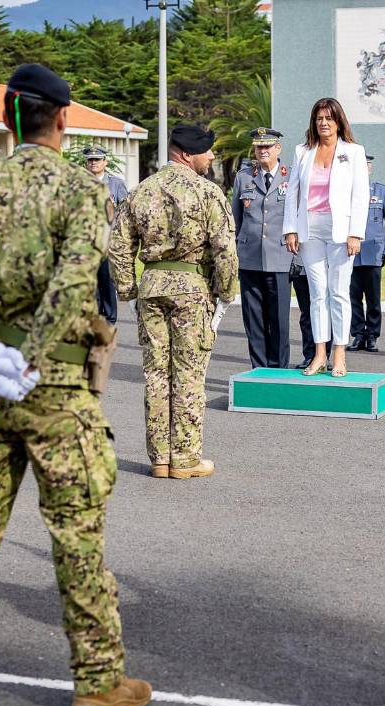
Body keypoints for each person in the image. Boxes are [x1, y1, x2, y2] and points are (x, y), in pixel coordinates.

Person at [0, 64, 151, 706]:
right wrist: (31, 355)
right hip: (55, 386)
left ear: (6, 119)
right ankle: (96, 681)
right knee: (76, 532)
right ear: (64, 120)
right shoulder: (82, 191)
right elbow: (74, 283)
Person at [109, 124, 238, 479]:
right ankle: (185, 458)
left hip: (151, 288)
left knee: (156, 375)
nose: (211, 156)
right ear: (186, 154)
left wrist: (128, 291)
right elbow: (225, 250)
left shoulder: (140, 191)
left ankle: (160, 459)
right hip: (191, 290)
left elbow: (118, 247)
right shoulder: (208, 192)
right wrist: (226, 293)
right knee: (188, 374)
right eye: (206, 151)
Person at [281, 97, 370, 378]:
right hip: (310, 228)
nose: (324, 123)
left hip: (341, 230)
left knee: (339, 292)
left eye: (329, 118)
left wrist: (355, 233)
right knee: (317, 294)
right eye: (319, 118)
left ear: (338, 122)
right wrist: (290, 228)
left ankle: (339, 354)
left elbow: (361, 195)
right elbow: (292, 193)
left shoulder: (353, 152)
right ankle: (319, 354)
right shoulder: (303, 151)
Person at [231, 127, 292, 369]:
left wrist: (298, 258)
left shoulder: (292, 176)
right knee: (253, 319)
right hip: (250, 258)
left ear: (278, 148)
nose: (263, 150)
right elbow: (236, 220)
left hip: (280, 257)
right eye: (259, 147)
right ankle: (258, 369)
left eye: (267, 146)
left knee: (279, 320)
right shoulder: (244, 177)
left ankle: (278, 371)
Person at [349, 154, 385, 353]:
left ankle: (372, 335)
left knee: (373, 298)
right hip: (351, 252)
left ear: (370, 169)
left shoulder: (381, 191)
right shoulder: (346, 190)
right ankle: (358, 334)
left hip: (373, 251)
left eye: (365, 166)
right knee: (353, 297)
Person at [83, 145, 127, 326]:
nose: (94, 163)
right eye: (90, 160)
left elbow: (125, 213)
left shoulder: (116, 184)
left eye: (97, 159)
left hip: (108, 242)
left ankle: (109, 319)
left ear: (105, 162)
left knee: (107, 282)